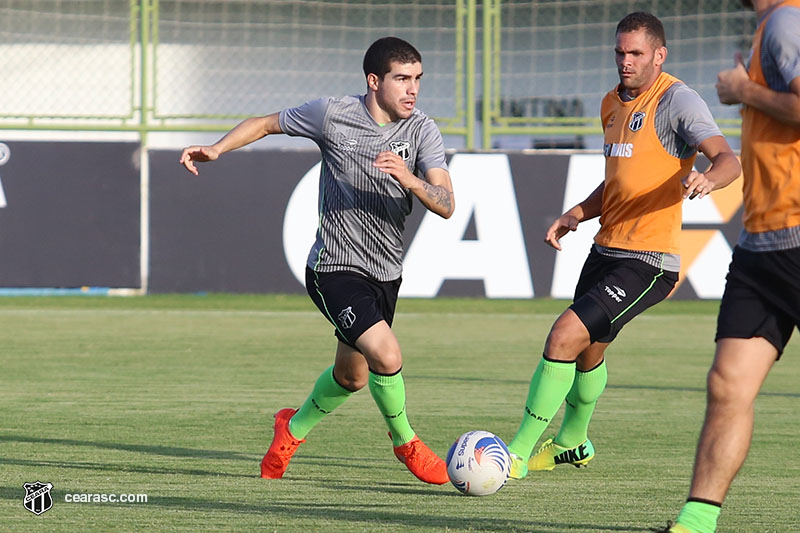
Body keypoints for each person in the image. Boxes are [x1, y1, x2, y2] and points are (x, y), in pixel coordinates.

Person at [179, 37, 455, 485]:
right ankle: (407, 444)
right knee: (387, 354)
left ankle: (291, 427)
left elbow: (446, 204)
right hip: (333, 267)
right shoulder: (333, 114)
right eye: (402, 79)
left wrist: (413, 180)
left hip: (386, 273)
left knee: (352, 378)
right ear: (373, 81)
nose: (413, 90)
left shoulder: (423, 131)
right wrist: (216, 148)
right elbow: (267, 124)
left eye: (418, 79)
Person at [506, 11, 742, 480]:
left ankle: (513, 454)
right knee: (589, 352)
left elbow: (728, 159)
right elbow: (618, 180)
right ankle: (574, 443)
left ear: (659, 55)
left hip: (650, 261)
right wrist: (575, 214)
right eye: (620, 52)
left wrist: (707, 180)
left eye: (636, 53)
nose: (625, 61)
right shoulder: (610, 103)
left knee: (563, 337)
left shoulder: (677, 100)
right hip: (606, 249)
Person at [660, 1, 800, 532]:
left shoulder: (787, 20)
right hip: (762, 245)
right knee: (728, 385)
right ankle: (695, 524)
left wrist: (745, 92)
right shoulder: (773, 25)